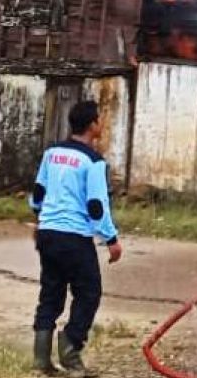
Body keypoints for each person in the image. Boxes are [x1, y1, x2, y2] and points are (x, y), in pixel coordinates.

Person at [29, 100, 122, 376]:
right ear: (92, 125)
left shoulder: (52, 153)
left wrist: (39, 219)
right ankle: (71, 350)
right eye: (99, 119)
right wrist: (111, 238)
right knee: (89, 292)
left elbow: (38, 193)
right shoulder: (93, 162)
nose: (101, 124)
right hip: (74, 237)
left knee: (51, 293)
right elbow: (96, 205)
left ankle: (41, 359)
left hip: (48, 234)